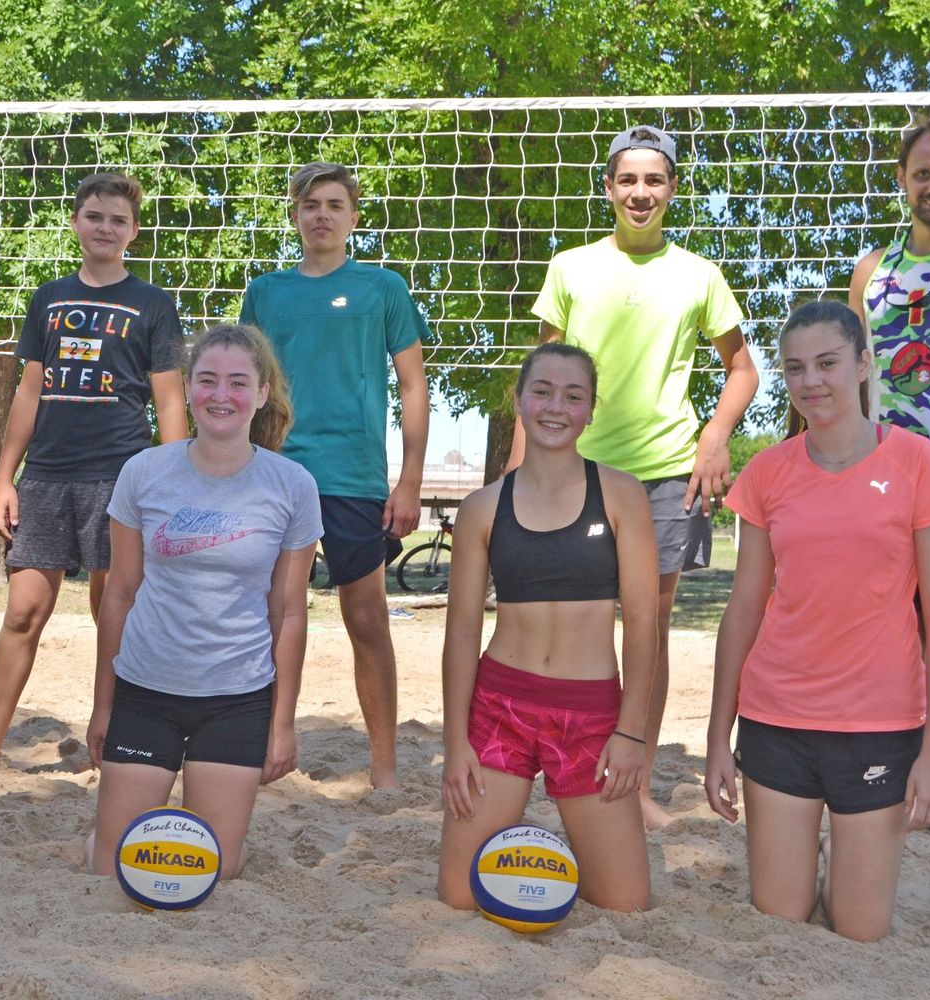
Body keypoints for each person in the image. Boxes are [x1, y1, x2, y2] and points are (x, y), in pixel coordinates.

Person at [516, 125, 760, 828]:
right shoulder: (569, 267)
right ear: (609, 189)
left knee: (646, 628)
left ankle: (636, 781)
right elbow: (542, 382)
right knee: (572, 620)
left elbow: (743, 368)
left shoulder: (700, 276)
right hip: (577, 473)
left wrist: (715, 439)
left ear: (673, 188)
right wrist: (514, 477)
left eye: (654, 180)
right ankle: (564, 760)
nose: (641, 192)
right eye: (629, 180)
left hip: (664, 474)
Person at [705, 300, 930, 941]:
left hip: (879, 726)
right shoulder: (769, 471)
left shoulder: (918, 463)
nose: (811, 381)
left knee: (859, 930)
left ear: (865, 364)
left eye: (827, 362)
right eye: (795, 368)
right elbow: (742, 611)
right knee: (782, 920)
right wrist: (717, 736)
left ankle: (841, 866)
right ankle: (801, 859)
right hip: (776, 721)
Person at [0, 172, 188, 778]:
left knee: (112, 610)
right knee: (23, 612)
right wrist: (4, 478)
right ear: (76, 222)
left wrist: (175, 478)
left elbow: (170, 400)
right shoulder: (50, 298)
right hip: (45, 476)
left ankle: (114, 736)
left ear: (134, 232)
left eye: (118, 220)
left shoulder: (152, 304)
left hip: (119, 475)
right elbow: (28, 392)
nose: (105, 228)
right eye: (95, 216)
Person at [84, 324, 320, 880]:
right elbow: (119, 592)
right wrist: (104, 705)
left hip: (236, 698)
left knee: (214, 869)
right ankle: (104, 834)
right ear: (187, 387)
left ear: (262, 394)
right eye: (207, 380)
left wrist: (281, 724)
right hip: (146, 691)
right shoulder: (144, 472)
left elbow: (288, 612)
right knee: (109, 866)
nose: (222, 395)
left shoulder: (292, 486)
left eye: (238, 383)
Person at [437, 341, 658, 913]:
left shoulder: (621, 494)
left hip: (590, 716)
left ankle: (573, 850)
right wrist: (455, 741)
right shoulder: (482, 508)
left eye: (573, 395)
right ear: (519, 401)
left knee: (625, 904)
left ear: (589, 410)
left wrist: (632, 734)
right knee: (459, 896)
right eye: (542, 391)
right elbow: (461, 631)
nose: (555, 406)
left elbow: (642, 623)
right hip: (500, 709)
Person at [240, 161, 430, 789]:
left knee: (367, 617)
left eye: (334, 205)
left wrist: (409, 481)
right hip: (275, 472)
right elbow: (247, 386)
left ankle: (384, 767)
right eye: (310, 204)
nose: (321, 214)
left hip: (354, 476)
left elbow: (411, 386)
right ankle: (266, 746)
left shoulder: (382, 288)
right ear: (295, 215)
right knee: (272, 611)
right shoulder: (266, 291)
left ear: (352, 217)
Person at [849, 117, 930, 851]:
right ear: (902, 180)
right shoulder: (874, 270)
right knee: (898, 639)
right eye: (923, 174)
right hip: (890, 483)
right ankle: (895, 792)